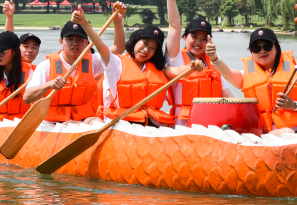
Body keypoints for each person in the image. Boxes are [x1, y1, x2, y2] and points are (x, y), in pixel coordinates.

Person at [74, 7, 204, 127]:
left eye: (152, 48)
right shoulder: (116, 63)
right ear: (136, 40)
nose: (146, 50)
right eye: (145, 43)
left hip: (149, 123)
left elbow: (177, 70)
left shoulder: (158, 68)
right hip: (120, 122)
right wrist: (85, 24)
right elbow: (100, 46)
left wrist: (192, 66)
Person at [22, 2, 127, 123]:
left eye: (79, 40)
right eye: (70, 39)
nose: (75, 43)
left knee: (98, 123)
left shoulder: (93, 61)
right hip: (53, 121)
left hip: (83, 118)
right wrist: (49, 84)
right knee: (71, 124)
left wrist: (117, 21)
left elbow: (119, 48)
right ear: (61, 42)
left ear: (86, 43)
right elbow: (27, 98)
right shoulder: (46, 66)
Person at [206, 28, 297, 134]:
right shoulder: (245, 75)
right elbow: (227, 73)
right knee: (287, 133)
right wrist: (214, 58)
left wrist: (294, 105)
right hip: (266, 133)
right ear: (251, 52)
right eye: (256, 48)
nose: (262, 51)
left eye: (267, 46)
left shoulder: (295, 71)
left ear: (276, 47)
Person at [163, 0, 233, 125]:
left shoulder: (214, 65)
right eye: (194, 37)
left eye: (203, 39)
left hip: (211, 123)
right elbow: (174, 26)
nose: (198, 42)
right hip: (183, 124)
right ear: (185, 38)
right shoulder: (176, 59)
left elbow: (229, 99)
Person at [0, 0, 41, 74]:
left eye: (34, 47)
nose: (30, 50)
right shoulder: (10, 66)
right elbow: (8, 39)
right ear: (17, 50)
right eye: (26, 46)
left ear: (38, 52)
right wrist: (9, 16)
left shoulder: (39, 70)